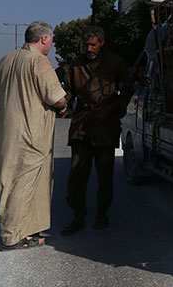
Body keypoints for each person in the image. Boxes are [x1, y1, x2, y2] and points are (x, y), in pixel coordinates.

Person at [0, 21, 67, 250]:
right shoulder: (39, 62)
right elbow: (57, 98)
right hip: (31, 137)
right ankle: (12, 237)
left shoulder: (6, 60)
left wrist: (1, 124)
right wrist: (65, 105)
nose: (52, 45)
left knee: (10, 182)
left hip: (7, 133)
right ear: (44, 39)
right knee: (24, 185)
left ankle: (26, 232)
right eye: (51, 40)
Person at [61, 25, 132, 235]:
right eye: (86, 44)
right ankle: (78, 216)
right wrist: (58, 104)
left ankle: (102, 214)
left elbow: (127, 90)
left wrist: (112, 108)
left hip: (105, 125)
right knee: (77, 175)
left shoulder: (115, 63)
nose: (89, 48)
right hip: (82, 124)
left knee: (105, 175)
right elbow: (68, 92)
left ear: (101, 43)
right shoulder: (76, 65)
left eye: (93, 44)